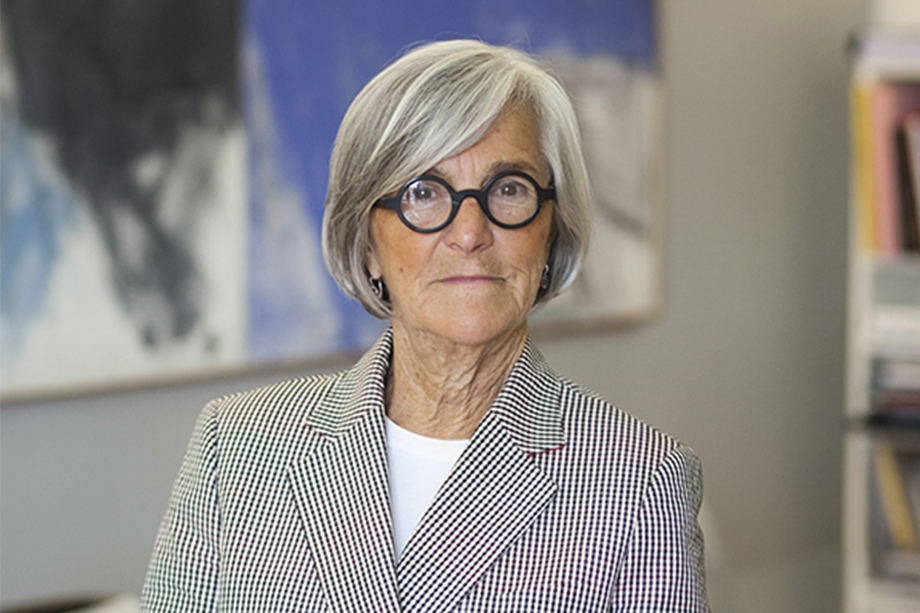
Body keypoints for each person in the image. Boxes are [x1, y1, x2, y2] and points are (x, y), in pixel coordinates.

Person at [141, 39, 708, 612]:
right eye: (424, 192)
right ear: (367, 244)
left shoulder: (643, 482)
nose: (470, 233)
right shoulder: (236, 445)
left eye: (509, 189)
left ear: (552, 230)